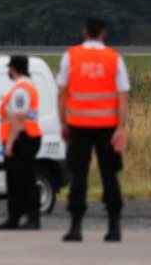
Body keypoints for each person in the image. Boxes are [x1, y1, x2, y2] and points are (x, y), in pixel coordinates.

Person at [58, 18, 130, 243]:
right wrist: (121, 127)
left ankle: (76, 228)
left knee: (79, 176)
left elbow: (62, 93)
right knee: (110, 176)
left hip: (79, 126)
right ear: (103, 34)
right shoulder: (114, 58)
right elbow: (123, 96)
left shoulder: (71, 56)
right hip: (107, 127)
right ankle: (114, 227)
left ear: (84, 32)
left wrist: (63, 124)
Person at [0, 55, 43, 230]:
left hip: (22, 138)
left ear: (14, 69)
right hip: (27, 137)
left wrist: (9, 143)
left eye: (10, 68)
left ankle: (26, 217)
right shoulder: (28, 86)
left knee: (20, 180)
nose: (8, 71)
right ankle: (18, 217)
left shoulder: (21, 89)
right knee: (22, 179)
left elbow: (18, 118)